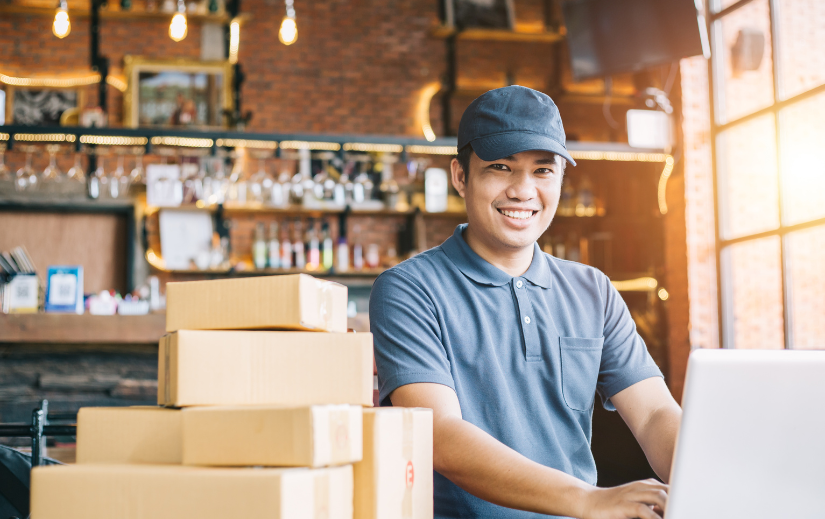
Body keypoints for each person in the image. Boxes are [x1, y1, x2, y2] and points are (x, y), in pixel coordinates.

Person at [369, 86, 681, 519]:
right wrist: (590, 499)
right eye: (501, 167)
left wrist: (710, 481)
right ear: (461, 176)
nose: (523, 190)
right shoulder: (408, 289)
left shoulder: (593, 290)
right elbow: (438, 434)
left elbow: (654, 415)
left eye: (543, 170)